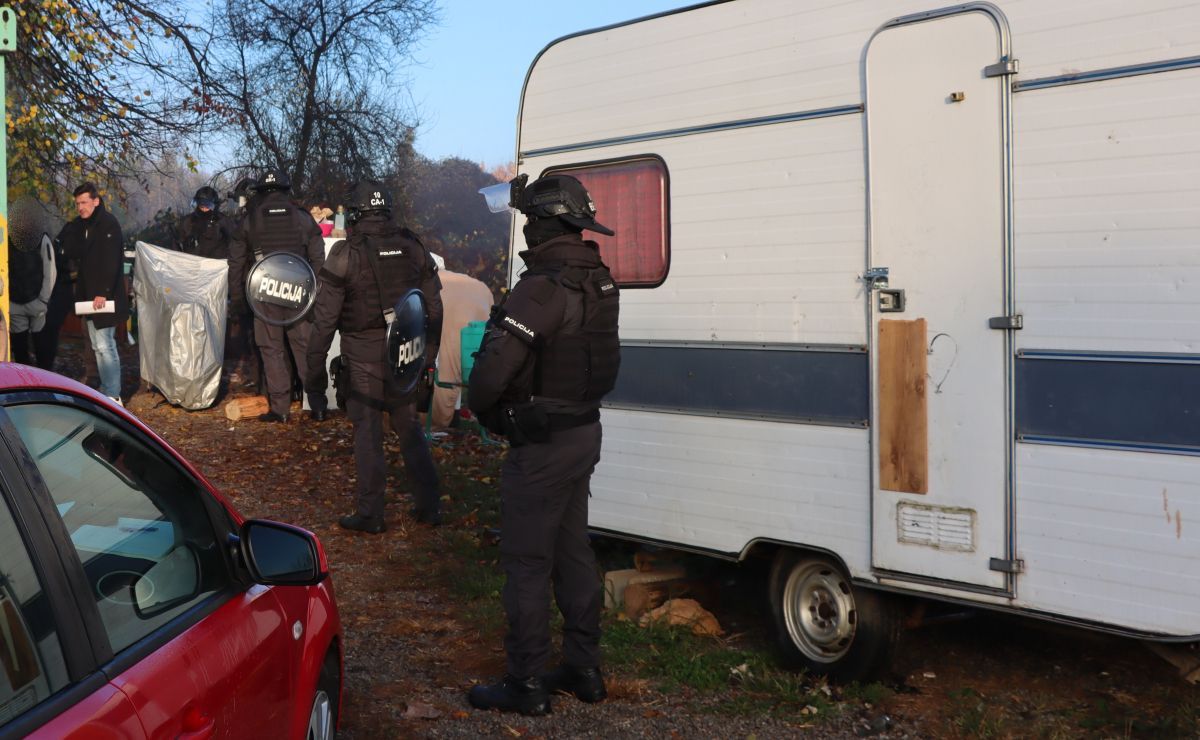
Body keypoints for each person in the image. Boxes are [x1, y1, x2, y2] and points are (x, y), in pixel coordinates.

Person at [466, 174, 621, 716]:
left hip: (543, 441)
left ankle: (526, 680)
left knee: (528, 562)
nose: (527, 228)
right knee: (572, 551)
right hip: (582, 431)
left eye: (530, 218)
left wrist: (485, 408)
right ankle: (583, 668)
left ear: (544, 224)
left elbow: (494, 370)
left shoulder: (544, 286)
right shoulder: (596, 278)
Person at [304, 179, 443, 533]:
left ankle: (371, 514)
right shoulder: (413, 246)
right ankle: (430, 506)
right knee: (409, 427)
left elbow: (323, 323)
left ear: (355, 213)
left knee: (367, 433)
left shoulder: (344, 254)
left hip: (363, 355)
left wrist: (314, 382)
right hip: (406, 353)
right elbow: (434, 308)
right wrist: (427, 356)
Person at [229, 169, 328, 422]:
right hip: (299, 291)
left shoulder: (250, 219)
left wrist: (238, 301)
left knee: (272, 349)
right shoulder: (303, 217)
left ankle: (281, 409)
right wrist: (315, 293)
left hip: (263, 292)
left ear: (261, 192)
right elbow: (318, 258)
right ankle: (317, 406)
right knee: (304, 348)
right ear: (286, 190)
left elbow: (236, 264)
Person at [57, 182, 129, 403]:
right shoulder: (81, 226)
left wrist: (103, 292)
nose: (80, 207)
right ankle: (106, 389)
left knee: (105, 345)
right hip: (88, 297)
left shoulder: (108, 224)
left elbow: (111, 261)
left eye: (84, 202)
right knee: (97, 346)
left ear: (96, 201)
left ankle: (113, 395)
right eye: (77, 203)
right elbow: (71, 251)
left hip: (104, 297)